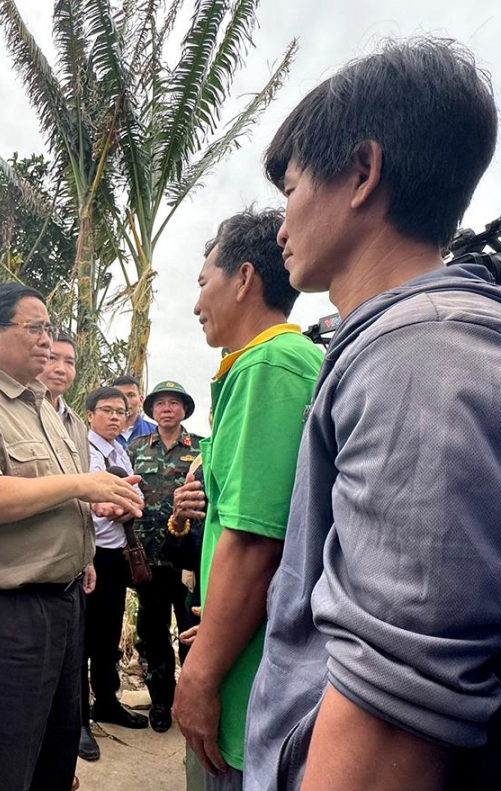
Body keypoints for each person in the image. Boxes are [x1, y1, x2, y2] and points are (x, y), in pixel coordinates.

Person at [242, 38, 501, 791]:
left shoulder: (425, 357)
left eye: (293, 187)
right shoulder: (422, 340)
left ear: (363, 173)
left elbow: (390, 720)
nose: (282, 225)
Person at [0, 282, 143, 791]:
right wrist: (82, 483)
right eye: (34, 327)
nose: (47, 339)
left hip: (65, 603)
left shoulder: (49, 408)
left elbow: (53, 495)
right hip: (5, 612)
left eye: (49, 327)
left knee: (54, 753)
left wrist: (90, 513)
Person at [171, 209, 322, 789]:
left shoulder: (268, 365)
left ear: (243, 279)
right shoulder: (268, 364)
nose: (196, 304)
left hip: (251, 671)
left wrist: (202, 673)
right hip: (246, 632)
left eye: (204, 282)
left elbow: (257, 540)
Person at [127, 381, 204, 734]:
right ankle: (160, 701)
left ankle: (190, 699)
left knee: (192, 630)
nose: (167, 409)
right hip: (150, 560)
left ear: (184, 410)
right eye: (160, 404)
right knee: (153, 632)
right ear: (152, 411)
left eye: (174, 403)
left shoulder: (201, 449)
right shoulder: (136, 448)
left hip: (188, 563)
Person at [79, 385, 148, 760]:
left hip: (116, 555)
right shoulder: (80, 451)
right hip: (88, 557)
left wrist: (127, 506)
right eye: (105, 410)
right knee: (81, 641)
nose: (114, 417)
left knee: (106, 638)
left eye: (120, 411)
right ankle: (77, 723)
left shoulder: (120, 450)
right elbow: (76, 500)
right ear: (89, 414)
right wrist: (105, 506)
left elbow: (134, 497)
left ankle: (107, 701)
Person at [40, 330, 90, 470]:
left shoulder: (78, 425)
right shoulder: (17, 413)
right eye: (52, 358)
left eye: (69, 362)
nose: (61, 369)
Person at [109, 376, 155, 448]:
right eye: (119, 396)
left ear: (141, 400)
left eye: (131, 395)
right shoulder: (103, 433)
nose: (125, 401)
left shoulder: (155, 432)